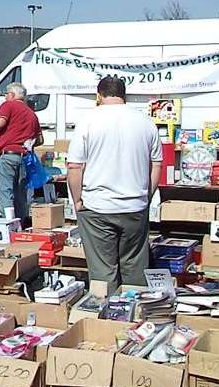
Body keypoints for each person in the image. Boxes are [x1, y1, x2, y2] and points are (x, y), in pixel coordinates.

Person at [67, 76, 163, 291]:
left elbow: (74, 167)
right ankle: (135, 315)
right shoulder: (145, 122)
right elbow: (156, 164)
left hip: (96, 206)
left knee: (103, 272)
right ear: (124, 95)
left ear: (98, 95)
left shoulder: (88, 120)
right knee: (135, 268)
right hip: (134, 205)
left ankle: (106, 318)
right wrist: (146, 197)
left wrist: (77, 201)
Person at [0, 82, 43, 221]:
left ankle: (8, 223)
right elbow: (40, 139)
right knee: (21, 193)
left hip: (9, 156)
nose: (5, 98)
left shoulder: (8, 105)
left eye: (6, 94)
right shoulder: (32, 114)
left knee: (6, 191)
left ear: (12, 94)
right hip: (25, 158)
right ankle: (22, 223)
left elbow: (0, 123)